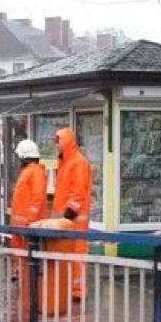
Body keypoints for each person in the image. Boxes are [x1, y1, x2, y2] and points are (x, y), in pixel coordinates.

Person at [51, 127, 92, 300]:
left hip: (74, 218)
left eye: (58, 142)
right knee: (68, 254)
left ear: (65, 142)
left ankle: (78, 290)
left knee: (77, 253)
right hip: (66, 218)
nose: (56, 146)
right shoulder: (66, 162)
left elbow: (78, 191)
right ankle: (70, 288)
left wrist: (68, 213)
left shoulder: (78, 162)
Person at [9, 139, 48, 253]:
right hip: (22, 226)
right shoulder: (29, 171)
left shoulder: (35, 171)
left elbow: (38, 198)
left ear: (24, 156)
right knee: (21, 258)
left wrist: (29, 221)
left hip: (28, 226)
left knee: (28, 260)